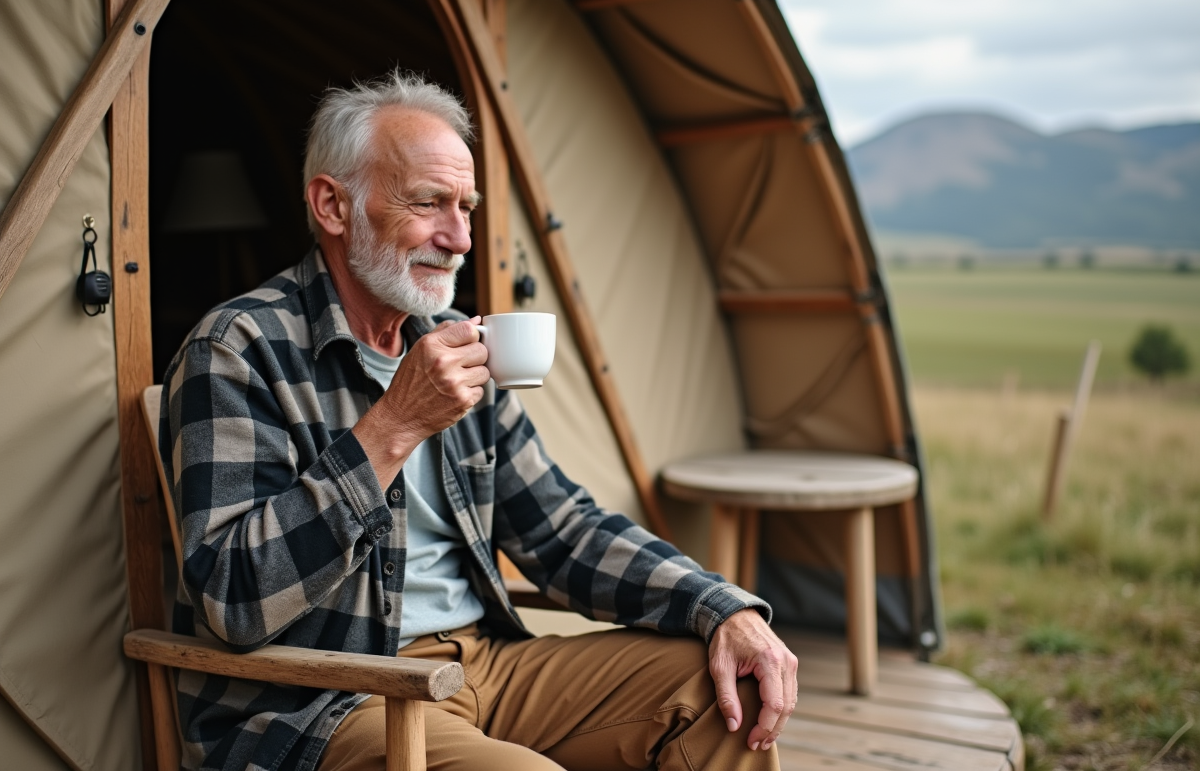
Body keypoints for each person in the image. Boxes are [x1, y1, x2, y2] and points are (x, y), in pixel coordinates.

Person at [160, 69, 797, 771]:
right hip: (328, 699)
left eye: (466, 207)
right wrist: (396, 424)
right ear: (333, 206)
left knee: (724, 691)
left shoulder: (458, 340)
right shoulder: (238, 350)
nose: (461, 238)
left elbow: (561, 530)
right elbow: (233, 599)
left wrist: (721, 606)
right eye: (429, 202)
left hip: (481, 664)